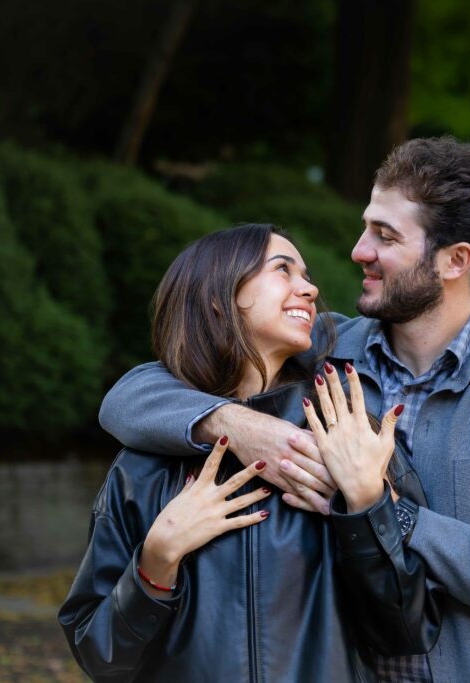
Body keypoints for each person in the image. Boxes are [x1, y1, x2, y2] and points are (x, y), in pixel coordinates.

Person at [100, 137, 470, 683]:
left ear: (455, 260)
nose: (359, 250)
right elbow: (129, 397)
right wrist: (237, 424)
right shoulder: (321, 351)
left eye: (385, 235)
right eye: (366, 228)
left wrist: (389, 512)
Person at [60, 224, 441, 682]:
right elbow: (100, 657)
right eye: (283, 270)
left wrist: (366, 505)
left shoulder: (352, 438)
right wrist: (156, 562)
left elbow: (408, 633)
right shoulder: (145, 465)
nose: (310, 289)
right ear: (218, 299)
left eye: (306, 276)